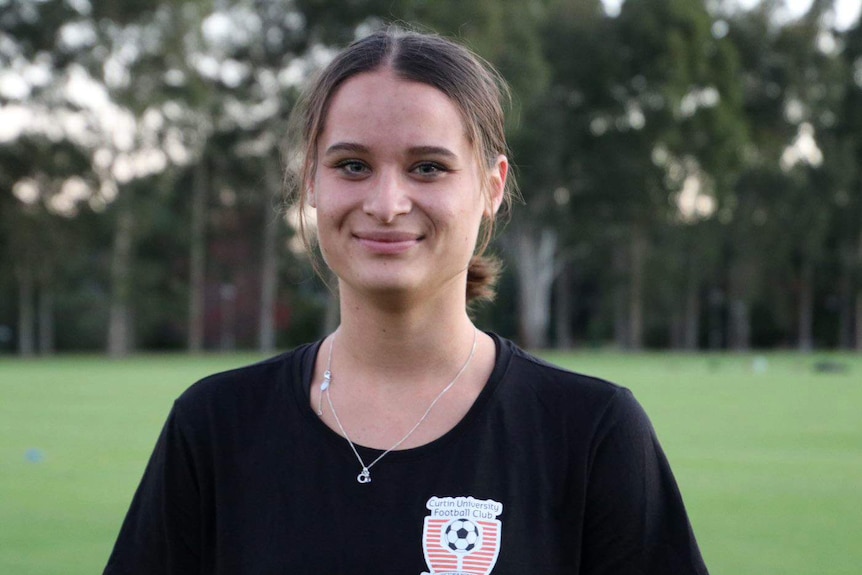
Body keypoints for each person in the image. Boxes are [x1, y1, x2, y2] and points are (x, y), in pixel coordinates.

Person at [104, 26, 709, 575]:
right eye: (353, 165)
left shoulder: (592, 432)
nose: (387, 203)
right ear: (311, 180)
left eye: (426, 167)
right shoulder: (214, 426)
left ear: (491, 187)